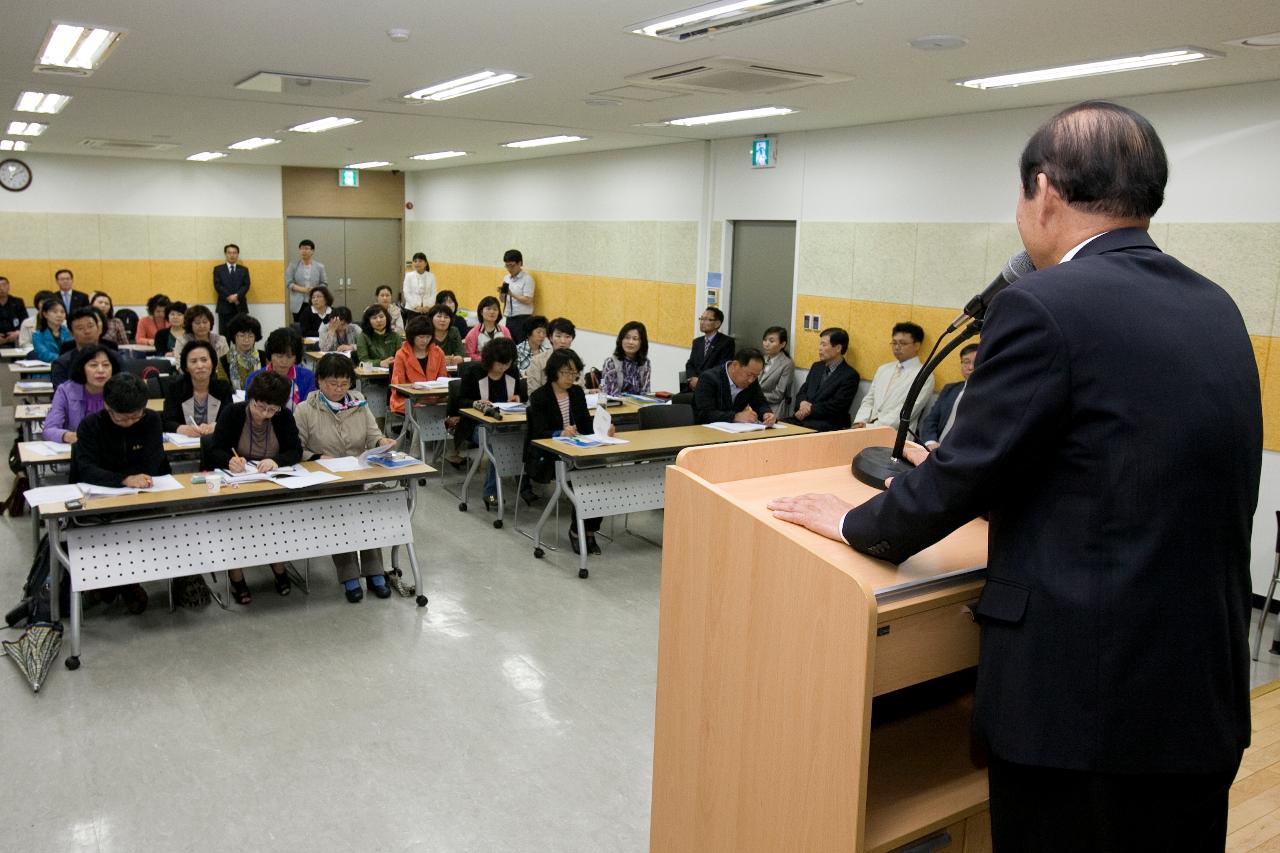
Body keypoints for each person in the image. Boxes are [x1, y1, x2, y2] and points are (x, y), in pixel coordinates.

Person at [767, 101, 1262, 852]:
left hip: (1082, 707)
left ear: (1044, 190)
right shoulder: (1214, 304)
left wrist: (847, 520)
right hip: (1196, 694)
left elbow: (962, 476)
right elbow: (1128, 473)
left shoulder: (1041, 302)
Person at [294, 354, 398, 602]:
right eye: (333, 384)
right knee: (340, 514)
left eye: (344, 384)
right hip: (324, 480)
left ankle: (375, 572)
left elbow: (374, 435)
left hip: (357, 474)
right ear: (319, 381)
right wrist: (317, 456)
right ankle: (349, 575)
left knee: (369, 510)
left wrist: (382, 442)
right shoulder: (305, 409)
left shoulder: (359, 403)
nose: (339, 389)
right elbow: (296, 449)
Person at [70, 373, 169, 615]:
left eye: (136, 416)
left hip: (143, 496)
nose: (130, 422)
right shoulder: (90, 425)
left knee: (161, 524)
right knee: (107, 529)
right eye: (122, 418)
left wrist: (136, 479)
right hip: (100, 499)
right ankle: (119, 582)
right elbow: (86, 469)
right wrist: (123, 479)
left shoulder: (151, 420)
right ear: (107, 406)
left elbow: (154, 460)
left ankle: (122, 583)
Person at [204, 370, 302, 604]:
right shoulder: (233, 413)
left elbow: (295, 450)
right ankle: (236, 576)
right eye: (261, 407)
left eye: (272, 409)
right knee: (236, 522)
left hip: (270, 484)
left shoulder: (283, 416)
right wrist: (229, 460)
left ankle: (279, 566)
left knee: (274, 520)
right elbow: (214, 449)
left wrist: (277, 461)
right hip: (236, 485)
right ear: (251, 398)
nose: (265, 414)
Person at [526, 348, 615, 555]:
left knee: (601, 473)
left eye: (574, 373)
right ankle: (577, 531)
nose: (570, 378)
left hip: (577, 450)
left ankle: (591, 530)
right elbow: (538, 433)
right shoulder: (540, 396)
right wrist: (560, 433)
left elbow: (584, 423)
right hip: (550, 454)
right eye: (565, 372)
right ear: (554, 371)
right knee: (584, 481)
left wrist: (603, 429)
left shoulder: (575, 393)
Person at [457, 337, 524, 511]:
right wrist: (476, 403)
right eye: (499, 364)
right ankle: (491, 492)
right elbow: (460, 401)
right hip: (477, 425)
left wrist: (518, 398)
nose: (503, 367)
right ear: (490, 360)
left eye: (507, 363)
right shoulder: (474, 372)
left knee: (521, 439)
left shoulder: (513, 372)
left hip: (506, 422)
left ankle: (525, 486)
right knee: (497, 445)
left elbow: (520, 397)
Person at [852, 322, 933, 432]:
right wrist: (860, 421)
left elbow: (909, 410)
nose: (897, 347)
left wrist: (872, 427)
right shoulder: (884, 369)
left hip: (895, 433)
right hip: (866, 429)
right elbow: (869, 400)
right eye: (894, 343)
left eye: (903, 343)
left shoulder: (924, 375)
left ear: (917, 345)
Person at [786, 328, 860, 432]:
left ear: (838, 348)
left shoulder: (850, 375)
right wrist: (802, 403)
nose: (820, 348)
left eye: (824, 345)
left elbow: (836, 406)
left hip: (828, 424)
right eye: (820, 344)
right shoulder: (816, 367)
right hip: (804, 419)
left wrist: (809, 410)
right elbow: (803, 391)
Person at [43, 345, 119, 443]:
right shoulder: (65, 391)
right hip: (78, 451)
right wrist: (67, 436)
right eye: (93, 365)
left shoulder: (120, 389)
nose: (101, 370)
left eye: (106, 365)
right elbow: (49, 430)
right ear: (82, 369)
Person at [163, 340, 233, 437]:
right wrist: (180, 428)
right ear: (186, 367)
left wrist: (216, 426)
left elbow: (230, 419)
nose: (200, 366)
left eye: (204, 360)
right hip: (185, 446)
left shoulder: (223, 388)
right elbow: (167, 421)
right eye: (193, 361)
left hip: (213, 444)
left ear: (212, 363)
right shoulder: (175, 388)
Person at [692, 347, 776, 426]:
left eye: (755, 376)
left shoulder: (752, 381)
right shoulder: (709, 378)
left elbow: (760, 402)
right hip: (706, 432)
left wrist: (766, 413)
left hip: (735, 433)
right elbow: (704, 414)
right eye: (749, 374)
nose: (751, 380)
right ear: (735, 365)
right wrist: (735, 417)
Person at [919, 344, 978, 450]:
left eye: (976, 362)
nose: (971, 367)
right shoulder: (950, 389)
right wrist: (930, 442)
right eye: (966, 362)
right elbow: (931, 420)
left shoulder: (989, 395)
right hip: (935, 449)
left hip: (962, 454)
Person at [390, 315, 448, 418]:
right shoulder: (401, 354)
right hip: (408, 400)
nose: (425, 341)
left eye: (428, 337)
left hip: (434, 398)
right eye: (421, 337)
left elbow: (443, 379)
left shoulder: (438, 353)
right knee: (422, 409)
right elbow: (398, 386)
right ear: (412, 336)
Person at [246, 327, 315, 411]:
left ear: (296, 357)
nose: (284, 361)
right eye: (279, 356)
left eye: (289, 357)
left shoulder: (308, 377)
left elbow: (308, 411)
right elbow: (249, 410)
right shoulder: (254, 377)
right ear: (270, 354)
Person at [51, 306, 116, 387]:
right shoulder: (62, 363)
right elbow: (60, 395)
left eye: (90, 326)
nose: (87, 331)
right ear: (71, 333)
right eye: (80, 328)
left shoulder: (114, 358)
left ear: (98, 328)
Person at [682, 307, 734, 392]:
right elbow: (690, 364)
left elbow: (722, 367)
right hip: (693, 386)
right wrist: (692, 379)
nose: (702, 322)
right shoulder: (697, 342)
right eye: (701, 319)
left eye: (706, 319)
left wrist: (700, 380)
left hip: (712, 387)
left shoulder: (726, 342)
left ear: (717, 323)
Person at [524, 317, 583, 394]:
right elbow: (533, 392)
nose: (563, 341)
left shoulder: (576, 360)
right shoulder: (538, 361)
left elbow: (580, 387)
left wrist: (589, 391)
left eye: (567, 337)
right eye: (558, 336)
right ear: (550, 338)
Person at [599, 321, 652, 397]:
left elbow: (646, 392)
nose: (630, 342)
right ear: (621, 340)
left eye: (635, 339)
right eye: (627, 338)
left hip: (638, 406)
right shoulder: (610, 362)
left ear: (642, 342)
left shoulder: (645, 363)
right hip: (617, 406)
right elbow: (611, 393)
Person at [219, 313, 267, 391]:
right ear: (234, 336)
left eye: (250, 336)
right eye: (242, 336)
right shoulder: (224, 360)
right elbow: (223, 388)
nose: (246, 340)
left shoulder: (264, 357)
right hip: (233, 402)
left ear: (255, 338)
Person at [285, 239, 326, 322]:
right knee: (299, 326)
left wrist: (314, 289)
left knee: (315, 325)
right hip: (298, 303)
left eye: (307, 248)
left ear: (312, 251)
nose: (304, 251)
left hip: (315, 300)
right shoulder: (293, 266)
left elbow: (324, 283)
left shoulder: (320, 267)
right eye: (302, 248)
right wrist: (303, 289)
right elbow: (289, 283)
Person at [213, 243, 250, 334]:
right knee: (224, 335)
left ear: (238, 254)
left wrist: (236, 296)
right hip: (224, 306)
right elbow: (218, 285)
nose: (232, 255)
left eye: (234, 253)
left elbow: (246, 285)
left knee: (242, 333)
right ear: (225, 254)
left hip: (240, 306)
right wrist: (229, 296)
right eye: (229, 253)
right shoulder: (218, 269)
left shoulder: (244, 269)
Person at [500, 249, 535, 343]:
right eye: (507, 266)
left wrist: (512, 294)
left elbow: (528, 300)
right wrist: (502, 294)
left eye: (512, 265)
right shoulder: (506, 278)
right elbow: (503, 300)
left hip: (523, 319)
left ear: (520, 263)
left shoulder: (527, 279)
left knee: (521, 345)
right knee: (510, 345)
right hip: (509, 318)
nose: (509, 269)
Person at [758, 326, 795, 413]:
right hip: (754, 405)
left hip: (773, 408)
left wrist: (755, 396)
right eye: (765, 340)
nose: (766, 344)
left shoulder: (787, 364)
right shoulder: (761, 359)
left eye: (771, 341)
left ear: (782, 344)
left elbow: (778, 395)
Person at [463, 295, 510, 361]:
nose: (492, 312)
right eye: (488, 309)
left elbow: (510, 350)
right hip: (480, 366)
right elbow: (469, 355)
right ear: (481, 312)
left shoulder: (505, 331)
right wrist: (487, 360)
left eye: (495, 309)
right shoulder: (473, 333)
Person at [31, 296, 73, 362]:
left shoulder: (69, 332)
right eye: (55, 312)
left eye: (62, 312)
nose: (59, 315)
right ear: (45, 314)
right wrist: (63, 359)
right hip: (47, 369)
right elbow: (44, 355)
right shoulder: (37, 335)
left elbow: (73, 352)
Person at [402, 252, 437, 316]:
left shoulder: (431, 276)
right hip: (412, 309)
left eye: (420, 261)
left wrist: (428, 306)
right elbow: (407, 293)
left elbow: (433, 293)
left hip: (428, 309)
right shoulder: (408, 275)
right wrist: (416, 307)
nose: (417, 263)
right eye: (415, 261)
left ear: (426, 263)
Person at [0, 275, 27, 346]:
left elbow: (25, 321)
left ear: (8, 286)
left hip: (16, 338)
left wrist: (18, 332)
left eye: (4, 285)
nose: (1, 288)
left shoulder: (18, 302)